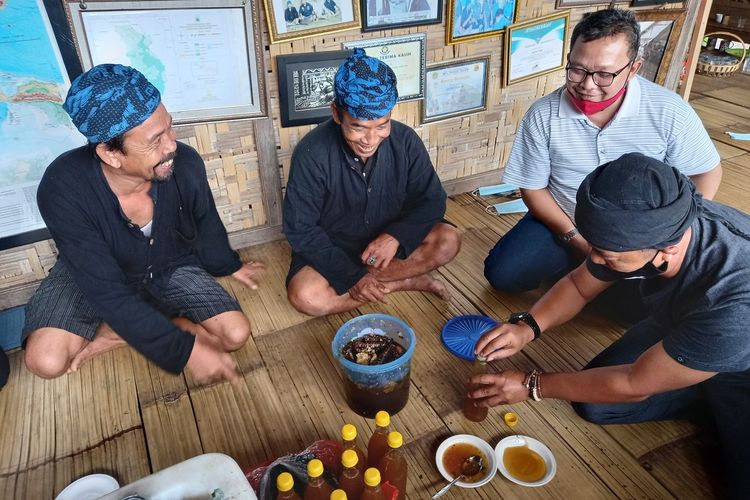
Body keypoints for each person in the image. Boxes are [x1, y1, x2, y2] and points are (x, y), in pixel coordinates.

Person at [469, 153, 750, 499]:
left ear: (667, 249)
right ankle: (692, 382)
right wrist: (527, 326)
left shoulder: (734, 300)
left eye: (608, 256)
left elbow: (634, 382)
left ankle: (707, 390)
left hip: (738, 355)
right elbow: (578, 285)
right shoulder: (663, 221)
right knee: (597, 403)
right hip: (688, 330)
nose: (595, 260)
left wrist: (531, 386)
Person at [22, 64, 263, 384]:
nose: (172, 146)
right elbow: (106, 291)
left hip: (169, 262)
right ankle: (127, 327)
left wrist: (229, 264)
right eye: (155, 140)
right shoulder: (63, 188)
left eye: (170, 128)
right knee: (45, 361)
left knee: (235, 335)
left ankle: (121, 330)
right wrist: (188, 352)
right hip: (92, 275)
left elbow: (206, 223)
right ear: (110, 153)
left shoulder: (185, 163)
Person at [483, 9, 722, 296]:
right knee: (504, 274)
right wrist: (577, 239)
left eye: (604, 75)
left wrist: (674, 229)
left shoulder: (669, 111)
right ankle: (579, 268)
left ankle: (585, 278)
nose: (586, 85)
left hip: (638, 236)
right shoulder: (543, 114)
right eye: (577, 69)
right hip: (565, 220)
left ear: (633, 68)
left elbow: (706, 172)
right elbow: (533, 189)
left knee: (635, 306)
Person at [283, 48, 461, 316]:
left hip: (387, 243)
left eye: (382, 125)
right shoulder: (312, 153)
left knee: (448, 240)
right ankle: (403, 281)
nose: (370, 139)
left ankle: (382, 282)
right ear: (336, 113)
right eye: (358, 127)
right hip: (335, 248)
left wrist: (395, 236)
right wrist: (351, 275)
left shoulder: (406, 140)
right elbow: (301, 229)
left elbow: (432, 199)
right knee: (306, 297)